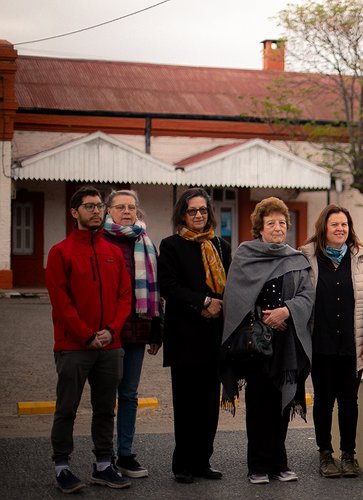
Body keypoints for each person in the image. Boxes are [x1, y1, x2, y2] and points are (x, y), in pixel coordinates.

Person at [221, 197, 314, 485]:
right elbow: (235, 297)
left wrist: (287, 311)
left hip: (287, 344)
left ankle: (279, 464)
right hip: (256, 345)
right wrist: (263, 318)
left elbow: (307, 296)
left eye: (282, 223)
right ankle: (257, 466)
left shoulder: (296, 259)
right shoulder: (246, 256)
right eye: (271, 222)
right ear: (260, 227)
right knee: (259, 404)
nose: (277, 227)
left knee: (282, 404)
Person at [46, 185, 132, 493]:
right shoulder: (60, 252)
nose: (96, 211)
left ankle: (103, 465)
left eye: (99, 206)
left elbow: (125, 296)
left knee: (106, 407)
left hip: (111, 346)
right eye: (89, 206)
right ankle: (62, 466)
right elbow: (61, 300)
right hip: (73, 347)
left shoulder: (113, 252)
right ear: (75, 212)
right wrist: (86, 335)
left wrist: (111, 329)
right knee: (67, 407)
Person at [300, 205, 363, 479]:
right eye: (334, 224)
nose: (340, 229)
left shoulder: (362, 257)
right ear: (324, 227)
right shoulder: (308, 255)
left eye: (344, 225)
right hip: (320, 341)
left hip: (353, 342)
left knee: (349, 401)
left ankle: (348, 454)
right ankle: (325, 454)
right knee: (323, 400)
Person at [158, 188, 230, 484]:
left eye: (203, 210)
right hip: (186, 336)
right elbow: (169, 286)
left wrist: (221, 305)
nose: (198, 215)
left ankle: (203, 461)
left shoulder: (222, 245)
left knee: (209, 404)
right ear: (182, 214)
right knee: (186, 404)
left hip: (215, 336)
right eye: (192, 211)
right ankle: (183, 464)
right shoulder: (172, 245)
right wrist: (203, 302)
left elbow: (231, 284)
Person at [100, 189, 162, 478]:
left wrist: (156, 332)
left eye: (132, 207)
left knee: (129, 394)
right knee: (104, 395)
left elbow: (156, 290)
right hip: (106, 332)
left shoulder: (146, 242)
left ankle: (125, 454)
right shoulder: (99, 240)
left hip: (137, 329)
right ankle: (103, 456)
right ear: (108, 210)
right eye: (120, 206)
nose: (126, 211)